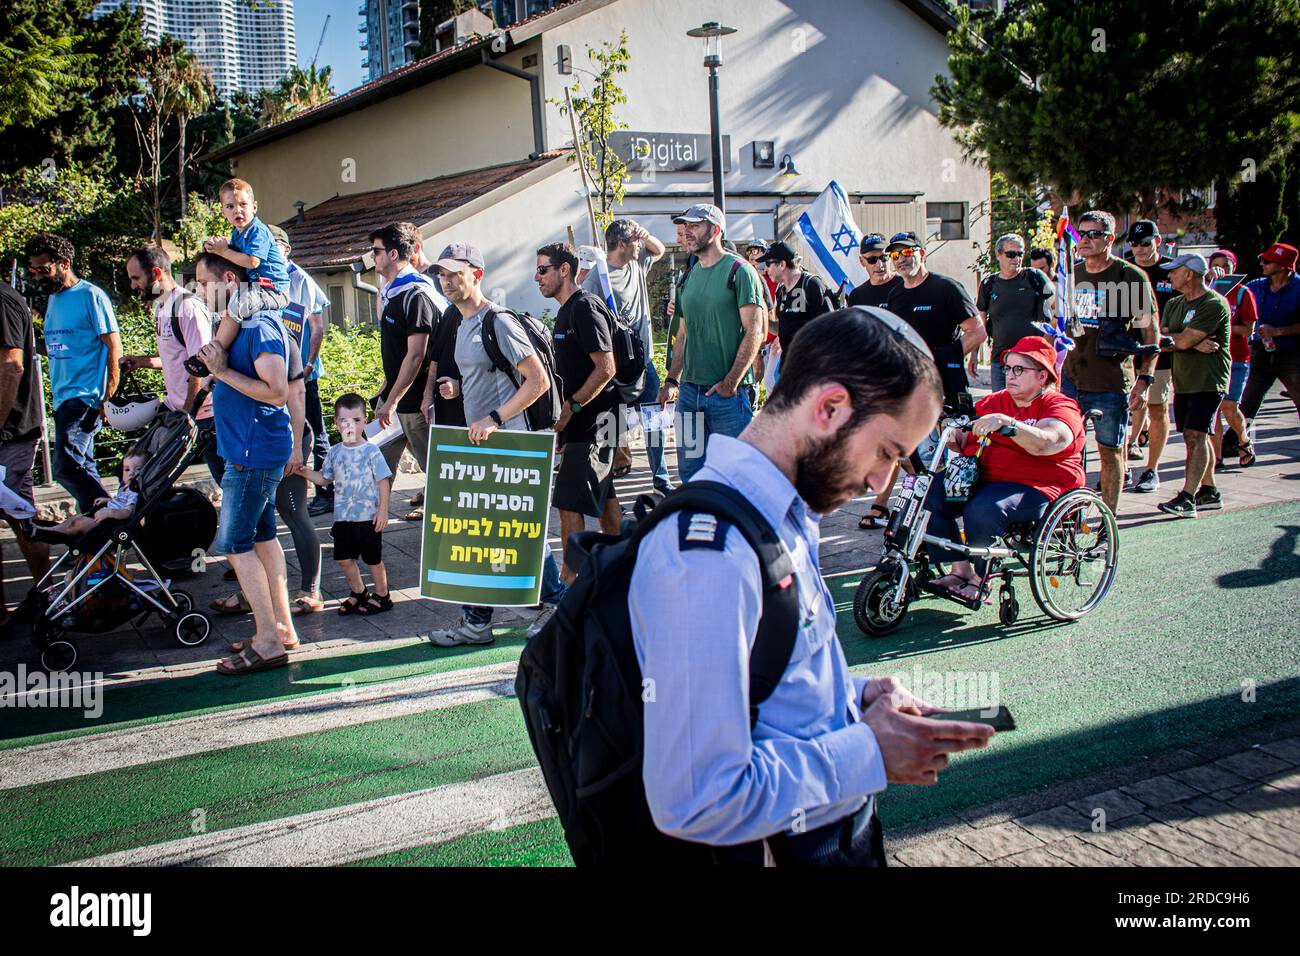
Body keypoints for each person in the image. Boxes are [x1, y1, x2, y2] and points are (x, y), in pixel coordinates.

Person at [629, 306, 995, 865]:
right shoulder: (709, 554)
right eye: (887, 452)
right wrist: (870, 749)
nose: (881, 481)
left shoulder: (780, 509)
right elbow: (696, 798)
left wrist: (852, 696)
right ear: (828, 408)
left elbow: (764, 683)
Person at [424, 241, 567, 646]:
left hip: (511, 445)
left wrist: (496, 418)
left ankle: (560, 604)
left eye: (455, 273)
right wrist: (457, 387)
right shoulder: (458, 321)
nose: (446, 280)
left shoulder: (498, 321)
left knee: (516, 533)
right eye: (441, 273)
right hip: (483, 448)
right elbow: (486, 375)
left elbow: (537, 381)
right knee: (484, 533)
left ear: (477, 275)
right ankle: (479, 622)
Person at [193, 253, 299, 675]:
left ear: (229, 279)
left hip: (254, 453)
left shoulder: (258, 327)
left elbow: (277, 391)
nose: (199, 292)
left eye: (204, 283)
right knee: (262, 539)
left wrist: (221, 372)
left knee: (234, 545)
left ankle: (269, 641)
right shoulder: (239, 325)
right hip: (246, 450)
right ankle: (282, 630)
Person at [922, 336, 1086, 602]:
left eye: (1019, 369)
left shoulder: (1058, 405)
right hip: (986, 478)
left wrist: (1009, 424)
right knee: (930, 493)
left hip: (1038, 485)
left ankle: (980, 578)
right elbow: (963, 439)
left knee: (984, 507)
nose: (1010, 375)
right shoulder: (995, 401)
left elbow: (1049, 442)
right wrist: (951, 432)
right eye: (1008, 368)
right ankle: (959, 569)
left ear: (1043, 375)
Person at [657, 204, 765, 482]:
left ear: (716, 230)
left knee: (736, 475)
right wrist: (671, 380)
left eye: (695, 226)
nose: (687, 232)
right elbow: (683, 334)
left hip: (726, 397)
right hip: (690, 396)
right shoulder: (688, 277)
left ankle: (741, 526)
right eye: (685, 227)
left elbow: (755, 332)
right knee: (692, 475)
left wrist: (730, 383)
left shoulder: (740, 271)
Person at [1061, 210, 1158, 514]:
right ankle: (1067, 515)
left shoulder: (1129, 277)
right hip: (1071, 378)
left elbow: (1150, 331)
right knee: (1067, 450)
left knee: (1110, 452)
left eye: (1093, 234)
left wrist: (1145, 380)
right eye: (1081, 234)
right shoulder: (1072, 274)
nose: (1085, 240)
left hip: (1111, 381)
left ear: (1110, 239)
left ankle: (1109, 518)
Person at [541, 242, 622, 582]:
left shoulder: (584, 307)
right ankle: (625, 565)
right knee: (603, 499)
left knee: (568, 502)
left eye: (543, 269)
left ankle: (570, 582)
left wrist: (572, 408)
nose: (536, 277)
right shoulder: (567, 309)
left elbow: (606, 367)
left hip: (597, 420)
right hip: (589, 420)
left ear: (564, 270)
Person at [26, 232, 122, 513]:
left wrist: (108, 395)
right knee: (83, 466)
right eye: (33, 270)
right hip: (63, 398)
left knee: (67, 466)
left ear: (64, 263)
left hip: (85, 398)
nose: (38, 276)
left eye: (43, 269)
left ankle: (116, 515)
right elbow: (60, 347)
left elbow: (113, 345)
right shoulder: (54, 301)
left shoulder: (90, 295)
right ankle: (95, 539)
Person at [582, 219, 672, 493]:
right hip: (615, 368)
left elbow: (660, 250)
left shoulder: (637, 262)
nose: (638, 246)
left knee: (654, 420)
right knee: (611, 427)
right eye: (634, 241)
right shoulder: (597, 277)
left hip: (643, 365)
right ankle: (605, 483)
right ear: (621, 244)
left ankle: (661, 477)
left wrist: (646, 236)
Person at [370, 224, 448, 521]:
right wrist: (386, 390)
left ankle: (443, 521)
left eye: (376, 251)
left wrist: (392, 400)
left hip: (415, 401)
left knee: (433, 464)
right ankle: (372, 518)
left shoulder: (416, 293)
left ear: (393, 254)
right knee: (378, 455)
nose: (372, 257)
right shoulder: (392, 291)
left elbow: (416, 355)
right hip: (395, 397)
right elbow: (397, 350)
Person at [122, 245, 219, 479]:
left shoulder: (187, 307)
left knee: (227, 478)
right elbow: (177, 359)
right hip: (176, 408)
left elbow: (200, 365)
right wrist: (142, 362)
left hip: (203, 414)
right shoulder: (162, 307)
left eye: (136, 278)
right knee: (141, 472)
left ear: (156, 274)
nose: (133, 285)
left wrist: (187, 413)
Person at [299, 393, 394, 615]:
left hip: (368, 517)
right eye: (344, 420)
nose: (350, 425)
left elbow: (383, 481)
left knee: (373, 560)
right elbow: (324, 478)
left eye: (357, 420)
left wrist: (383, 511)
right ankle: (358, 592)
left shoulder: (371, 451)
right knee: (343, 558)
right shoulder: (334, 452)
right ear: (336, 422)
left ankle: (382, 594)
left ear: (365, 420)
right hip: (343, 517)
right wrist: (302, 471)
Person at [1155, 254, 1231, 518]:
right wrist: (1189, 340)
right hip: (1184, 380)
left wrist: (1183, 341)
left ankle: (1187, 497)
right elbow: (1160, 335)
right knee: (1194, 436)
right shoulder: (1174, 303)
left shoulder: (1214, 304)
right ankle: (1209, 490)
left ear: (1189, 273)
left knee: (1194, 435)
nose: (1169, 276)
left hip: (1209, 380)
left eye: (1174, 271)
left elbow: (1174, 339)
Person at [267, 224, 333, 518]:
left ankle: (327, 491)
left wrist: (308, 364)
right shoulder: (264, 279)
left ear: (286, 249)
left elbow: (317, 328)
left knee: (314, 431)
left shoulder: (301, 281)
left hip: (304, 374)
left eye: (274, 247)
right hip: (277, 375)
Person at [880, 231, 984, 410]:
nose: (900, 260)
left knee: (951, 436)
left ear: (921, 254)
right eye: (895, 255)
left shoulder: (947, 288)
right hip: (913, 386)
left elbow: (978, 331)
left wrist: (943, 357)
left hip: (947, 384)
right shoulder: (895, 296)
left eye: (906, 252)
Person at [0, 279, 51, 593]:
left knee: (21, 515)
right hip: (10, 431)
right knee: (21, 514)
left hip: (11, 431)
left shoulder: (3, 300)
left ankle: (46, 594)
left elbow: (11, 366)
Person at [201, 178, 290, 355]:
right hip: (256, 288)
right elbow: (232, 253)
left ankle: (216, 352)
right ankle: (218, 344)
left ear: (254, 207)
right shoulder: (237, 233)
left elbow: (252, 261)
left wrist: (223, 251)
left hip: (273, 290)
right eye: (230, 206)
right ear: (223, 211)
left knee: (236, 306)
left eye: (243, 204)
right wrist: (214, 247)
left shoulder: (258, 230)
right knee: (224, 306)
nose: (237, 210)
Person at [1123, 219, 1177, 493]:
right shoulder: (1124, 270)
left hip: (1160, 354)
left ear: (1157, 241)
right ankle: (1122, 469)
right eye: (1134, 243)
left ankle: (1151, 470)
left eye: (1145, 243)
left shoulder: (1171, 270)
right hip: (1126, 354)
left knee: (1157, 408)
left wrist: (1168, 334)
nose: (1140, 249)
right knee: (1123, 412)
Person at [1239, 242, 1300, 460]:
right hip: (1261, 353)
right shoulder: (1256, 286)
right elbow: (1232, 297)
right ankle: (1237, 441)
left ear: (1284, 266)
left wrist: (1278, 331)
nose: (1262, 264)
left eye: (1268, 260)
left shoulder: (1299, 288)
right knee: (1248, 401)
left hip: (1291, 354)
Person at [976, 233, 1055, 392]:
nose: (1016, 258)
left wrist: (1046, 344)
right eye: (1011, 254)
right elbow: (980, 324)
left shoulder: (1034, 277)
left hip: (1032, 361)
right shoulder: (988, 283)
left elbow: (1059, 308)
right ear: (998, 255)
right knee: (1001, 412)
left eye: (1020, 254)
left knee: (1031, 412)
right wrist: (973, 356)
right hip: (1001, 361)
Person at [1206, 249, 1257, 468]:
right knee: (1213, 411)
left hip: (1237, 358)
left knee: (1229, 406)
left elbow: (1249, 330)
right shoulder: (1206, 292)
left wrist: (1224, 327)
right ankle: (1217, 458)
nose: (1220, 270)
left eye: (1225, 266)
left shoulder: (1242, 293)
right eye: (1215, 265)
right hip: (1212, 359)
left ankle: (1244, 439)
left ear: (1233, 268)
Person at [28, 447, 146, 539]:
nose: (131, 473)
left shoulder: (134, 491)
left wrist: (110, 512)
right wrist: (109, 501)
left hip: (110, 524)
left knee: (78, 523)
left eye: (138, 469)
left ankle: (53, 534)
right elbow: (121, 502)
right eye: (127, 469)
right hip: (104, 517)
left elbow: (128, 512)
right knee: (76, 518)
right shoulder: (125, 488)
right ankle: (52, 530)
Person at [761, 240, 836, 359]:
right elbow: (784, 328)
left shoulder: (812, 284)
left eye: (768, 264)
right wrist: (764, 321)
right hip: (789, 366)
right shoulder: (781, 291)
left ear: (782, 264)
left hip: (812, 367)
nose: (765, 269)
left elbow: (829, 327)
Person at [846, 233, 902, 309]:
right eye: (872, 260)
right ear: (862, 261)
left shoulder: (906, 285)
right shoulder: (857, 296)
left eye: (883, 257)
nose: (879, 265)